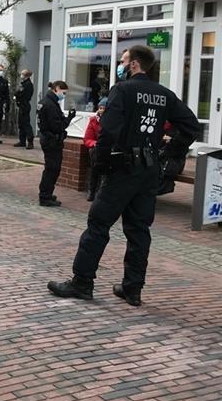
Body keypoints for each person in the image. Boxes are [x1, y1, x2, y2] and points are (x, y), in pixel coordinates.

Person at [47, 46, 200, 306]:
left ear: (134, 65)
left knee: (98, 224)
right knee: (139, 229)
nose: (120, 64)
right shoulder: (164, 94)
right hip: (149, 170)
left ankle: (82, 282)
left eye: (123, 61)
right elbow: (191, 127)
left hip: (123, 167)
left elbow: (108, 132)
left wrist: (102, 165)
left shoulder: (123, 90)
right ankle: (133, 288)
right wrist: (168, 152)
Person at [37, 81, 76, 207]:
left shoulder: (47, 102)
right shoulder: (50, 105)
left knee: (51, 168)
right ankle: (45, 196)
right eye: (63, 93)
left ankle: (47, 193)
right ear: (57, 89)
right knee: (52, 169)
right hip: (51, 141)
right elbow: (57, 126)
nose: (63, 95)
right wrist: (69, 118)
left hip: (48, 139)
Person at [83, 97, 108, 202]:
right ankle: (92, 190)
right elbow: (87, 139)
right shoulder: (93, 121)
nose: (101, 110)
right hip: (97, 148)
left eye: (104, 108)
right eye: (100, 108)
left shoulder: (113, 121)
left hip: (108, 148)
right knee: (95, 163)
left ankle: (101, 191)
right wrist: (95, 144)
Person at [13, 69, 34, 149]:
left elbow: (20, 93)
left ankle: (30, 141)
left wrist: (17, 95)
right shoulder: (24, 84)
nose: (21, 75)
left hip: (24, 105)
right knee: (21, 124)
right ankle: (22, 141)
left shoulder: (28, 85)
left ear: (27, 76)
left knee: (26, 124)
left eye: (22, 74)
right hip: (21, 105)